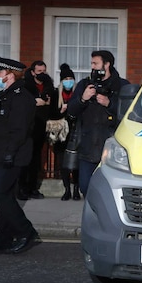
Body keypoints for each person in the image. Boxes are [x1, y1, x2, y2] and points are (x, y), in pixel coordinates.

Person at [0, 57, 41, 254]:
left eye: (0, 71)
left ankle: (26, 231)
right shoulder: (3, 95)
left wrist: (8, 154)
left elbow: (18, 130)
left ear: (10, 74)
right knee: (3, 195)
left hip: (11, 155)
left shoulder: (22, 97)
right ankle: (2, 238)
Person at [67, 50, 130, 194]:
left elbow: (128, 114)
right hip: (88, 146)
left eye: (96, 63)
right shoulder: (85, 84)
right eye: (91, 63)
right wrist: (82, 99)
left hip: (111, 147)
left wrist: (110, 104)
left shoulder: (121, 85)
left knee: (108, 190)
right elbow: (71, 111)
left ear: (107, 65)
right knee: (85, 186)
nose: (93, 67)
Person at [20, 60, 55, 200]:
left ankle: (32, 187)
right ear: (33, 72)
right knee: (25, 159)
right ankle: (22, 188)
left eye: (44, 71)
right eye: (39, 71)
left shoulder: (48, 86)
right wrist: (35, 102)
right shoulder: (26, 85)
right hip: (28, 127)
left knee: (36, 159)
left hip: (41, 126)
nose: (42, 74)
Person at [52, 63, 80, 201]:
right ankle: (67, 189)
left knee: (75, 164)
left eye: (71, 78)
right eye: (66, 78)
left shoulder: (77, 94)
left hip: (74, 133)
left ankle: (76, 190)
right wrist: (61, 111)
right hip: (61, 134)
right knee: (63, 164)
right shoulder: (56, 93)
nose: (69, 81)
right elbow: (51, 114)